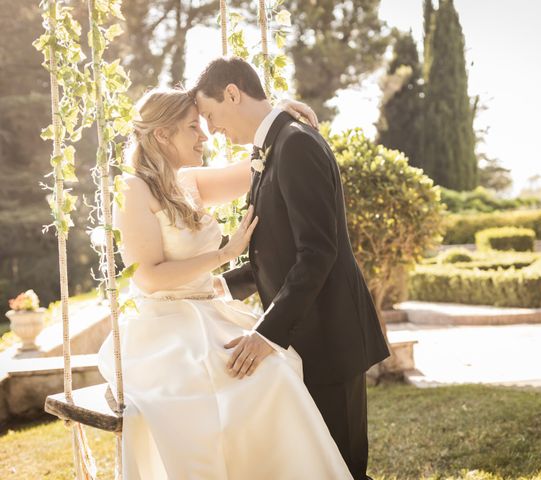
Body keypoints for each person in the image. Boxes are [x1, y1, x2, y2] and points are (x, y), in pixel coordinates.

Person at [97, 87, 353, 479]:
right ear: (163, 135)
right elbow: (148, 275)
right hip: (165, 327)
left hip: (210, 316)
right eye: (192, 128)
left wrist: (278, 109)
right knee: (218, 400)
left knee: (276, 370)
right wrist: (222, 255)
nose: (205, 136)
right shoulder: (133, 189)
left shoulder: (191, 182)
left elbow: (266, 158)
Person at [192, 56, 390, 480]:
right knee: (318, 465)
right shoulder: (270, 148)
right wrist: (219, 285)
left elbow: (318, 251)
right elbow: (273, 249)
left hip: (331, 336)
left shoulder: (296, 142)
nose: (212, 130)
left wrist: (266, 335)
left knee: (344, 467)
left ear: (233, 93)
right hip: (306, 337)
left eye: (210, 115)